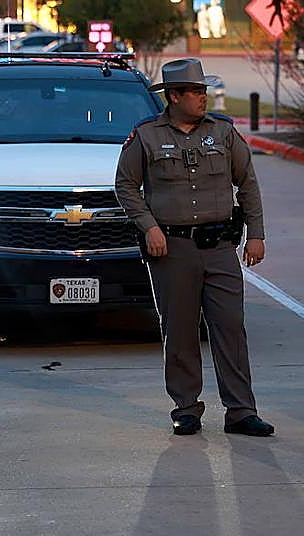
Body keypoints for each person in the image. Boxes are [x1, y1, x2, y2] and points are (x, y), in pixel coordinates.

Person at [114, 58, 274, 438]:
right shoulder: (146, 136)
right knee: (181, 331)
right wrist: (149, 227)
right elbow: (125, 185)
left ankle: (241, 411)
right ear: (174, 96)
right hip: (173, 250)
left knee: (230, 328)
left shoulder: (223, 132)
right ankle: (186, 408)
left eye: (204, 91)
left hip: (220, 247)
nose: (204, 98)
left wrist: (256, 234)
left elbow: (247, 183)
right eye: (196, 92)